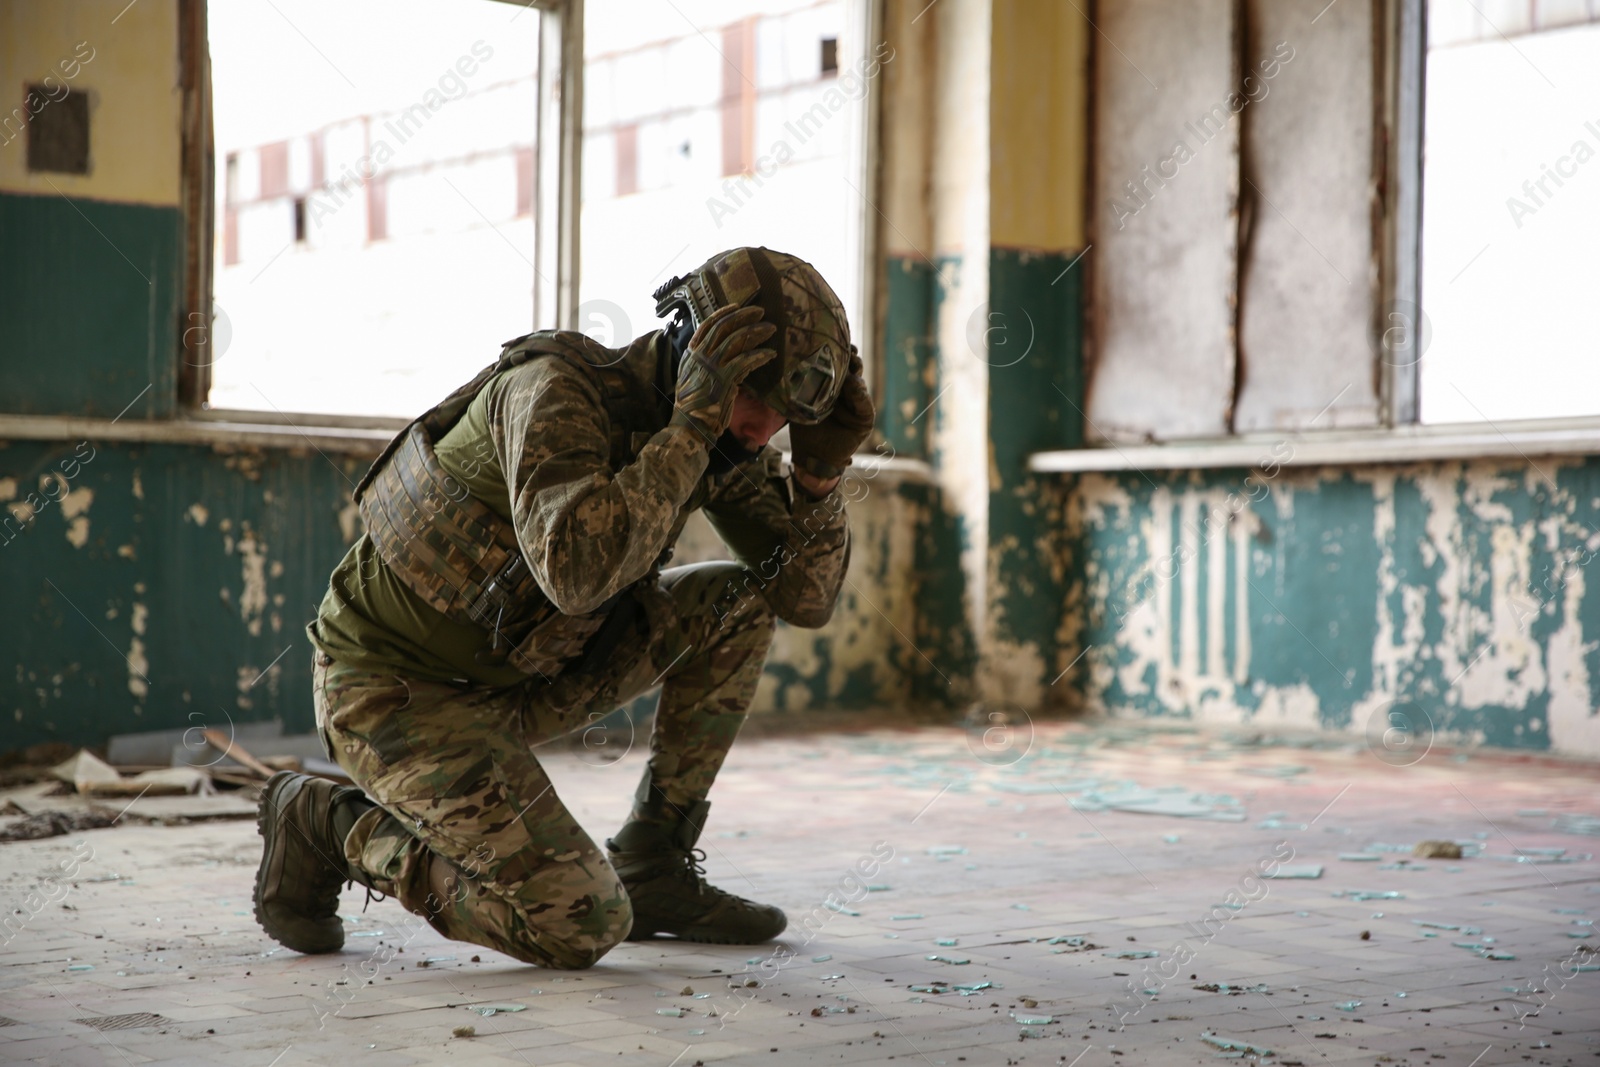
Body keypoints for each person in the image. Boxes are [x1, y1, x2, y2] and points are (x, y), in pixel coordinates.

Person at [251, 246, 875, 969]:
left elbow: (805, 597)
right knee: (578, 923)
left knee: (738, 604)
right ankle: (329, 825)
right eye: (753, 396)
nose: (765, 427)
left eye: (786, 414)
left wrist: (822, 473)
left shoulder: (716, 438)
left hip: (525, 676)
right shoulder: (557, 394)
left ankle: (656, 858)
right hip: (394, 696)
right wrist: (689, 434)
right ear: (690, 350)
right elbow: (576, 575)